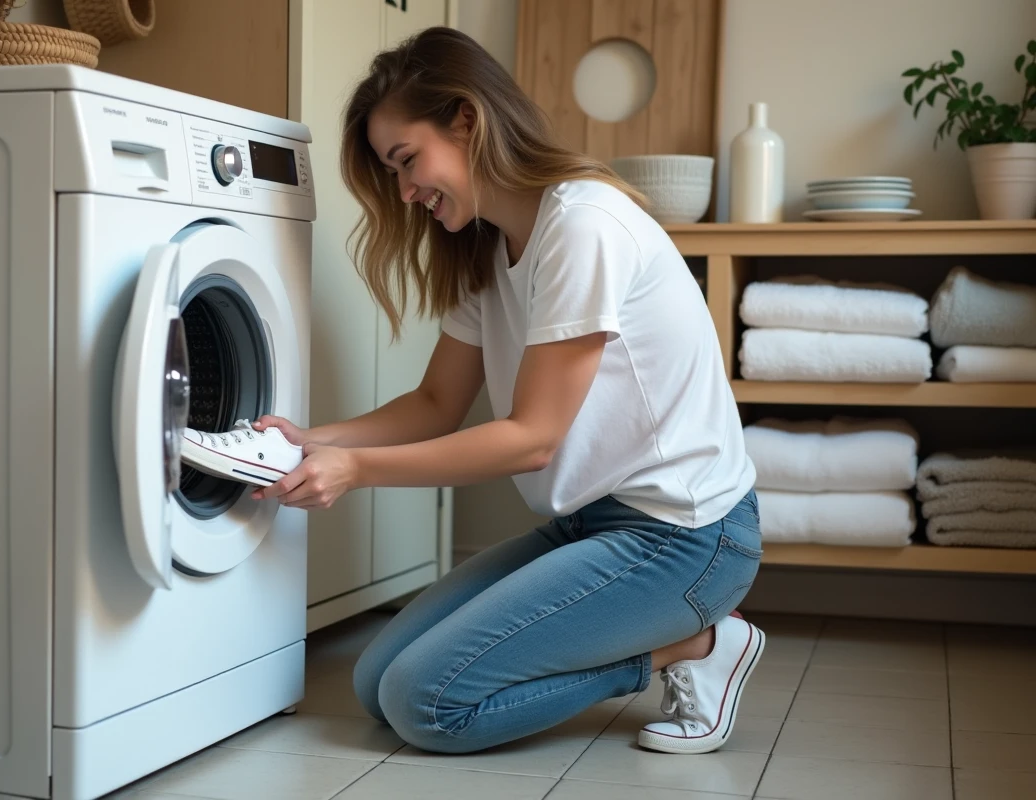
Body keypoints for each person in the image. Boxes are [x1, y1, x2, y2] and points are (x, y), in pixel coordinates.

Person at [250, 26, 765, 756]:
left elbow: (533, 438)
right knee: (374, 685)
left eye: (408, 161)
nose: (403, 191)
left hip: (686, 538)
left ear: (466, 119)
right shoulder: (493, 251)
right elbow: (433, 406)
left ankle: (696, 646)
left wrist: (356, 471)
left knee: (424, 703)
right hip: (593, 525)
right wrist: (316, 440)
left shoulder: (583, 225)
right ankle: (674, 642)